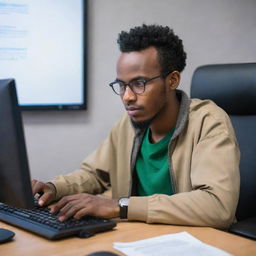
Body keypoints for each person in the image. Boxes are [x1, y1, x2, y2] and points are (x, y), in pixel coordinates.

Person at [32, 24, 240, 229]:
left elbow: (217, 206)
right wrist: (54, 188)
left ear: (172, 80)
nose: (127, 97)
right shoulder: (128, 124)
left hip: (194, 242)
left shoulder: (208, 122)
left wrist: (120, 206)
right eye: (122, 85)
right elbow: (95, 174)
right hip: (137, 238)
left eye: (139, 83)